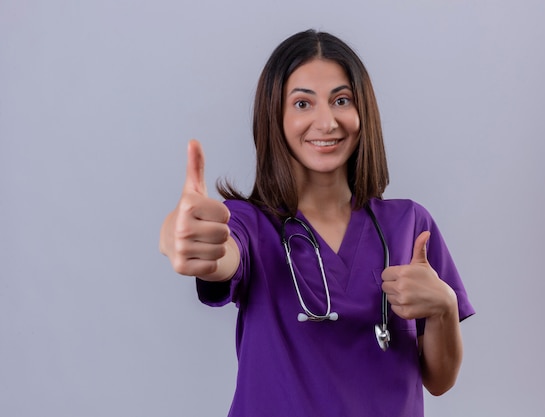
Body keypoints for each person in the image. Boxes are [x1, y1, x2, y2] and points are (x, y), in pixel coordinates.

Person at [159, 29, 474, 417]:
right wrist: (183, 235)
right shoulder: (250, 225)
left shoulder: (410, 225)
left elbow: (440, 381)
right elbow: (219, 252)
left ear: (363, 113)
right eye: (303, 104)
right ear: (275, 115)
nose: (326, 122)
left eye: (341, 100)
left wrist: (444, 306)